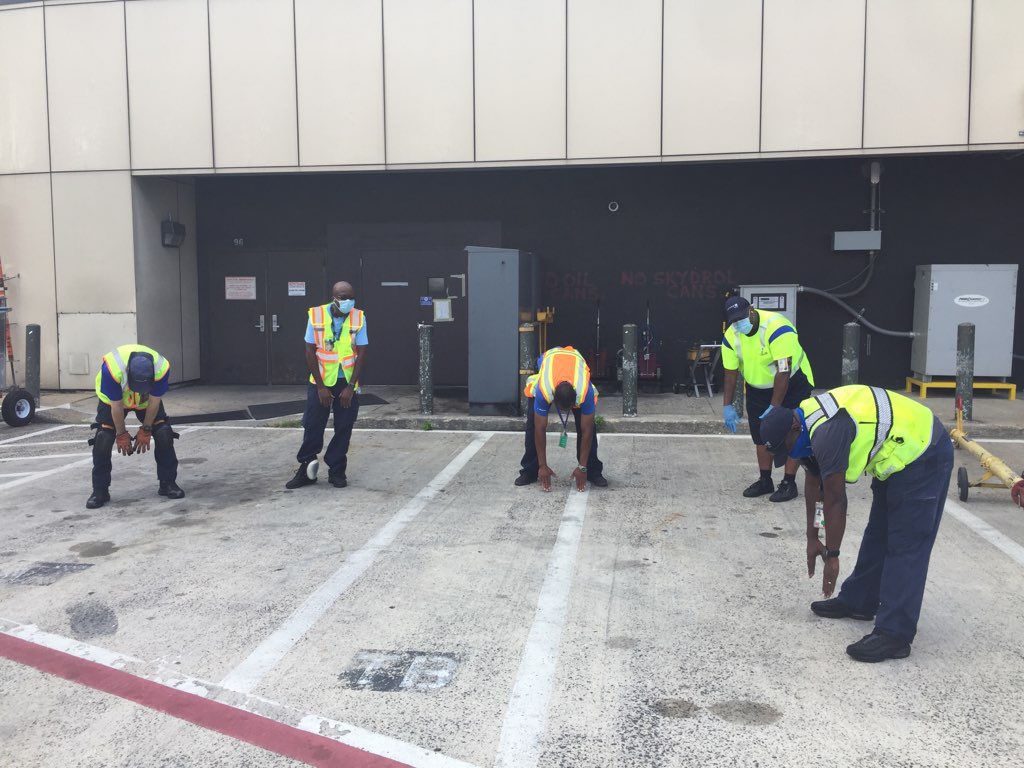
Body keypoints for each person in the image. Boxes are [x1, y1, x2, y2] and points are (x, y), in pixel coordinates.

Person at [760, 385, 953, 662]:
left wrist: (833, 556)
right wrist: (813, 538)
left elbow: (836, 499)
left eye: (786, 448)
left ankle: (895, 634)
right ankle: (860, 600)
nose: (789, 455)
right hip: (896, 456)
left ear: (793, 428)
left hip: (923, 449)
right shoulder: (804, 425)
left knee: (906, 545)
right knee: (878, 534)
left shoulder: (827, 432)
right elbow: (816, 487)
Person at [720, 295, 814, 502]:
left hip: (793, 383)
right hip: (757, 387)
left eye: (741, 318)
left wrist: (775, 406)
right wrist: (727, 405)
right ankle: (765, 480)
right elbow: (730, 372)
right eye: (734, 320)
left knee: (792, 430)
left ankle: (789, 482)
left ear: (751, 310)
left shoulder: (778, 327)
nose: (738, 324)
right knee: (760, 433)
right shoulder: (731, 336)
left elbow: (784, 370)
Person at [285, 281, 368, 490]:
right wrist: (321, 387)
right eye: (343, 297)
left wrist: (351, 386)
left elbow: (362, 354)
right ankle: (307, 469)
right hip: (320, 381)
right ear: (334, 297)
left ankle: (337, 470)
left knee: (344, 427)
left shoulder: (359, 317)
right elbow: (309, 351)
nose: (348, 301)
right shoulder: (316, 315)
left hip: (346, 382)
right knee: (313, 424)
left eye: (351, 297)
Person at [87, 345, 183, 509]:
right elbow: (116, 406)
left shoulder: (161, 368)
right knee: (103, 438)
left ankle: (168, 483)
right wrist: (121, 434)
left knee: (163, 432)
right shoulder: (112, 369)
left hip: (146, 402)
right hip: (113, 400)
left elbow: (154, 402)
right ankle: (100, 490)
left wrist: (146, 429)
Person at [515, 346, 607, 491]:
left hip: (575, 359)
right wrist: (542, 465)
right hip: (549, 359)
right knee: (533, 424)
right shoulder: (544, 390)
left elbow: (587, 430)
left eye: (571, 407)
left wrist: (582, 467)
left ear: (575, 401)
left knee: (589, 426)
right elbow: (540, 429)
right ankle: (530, 470)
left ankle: (592, 470)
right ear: (553, 400)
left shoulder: (585, 392)